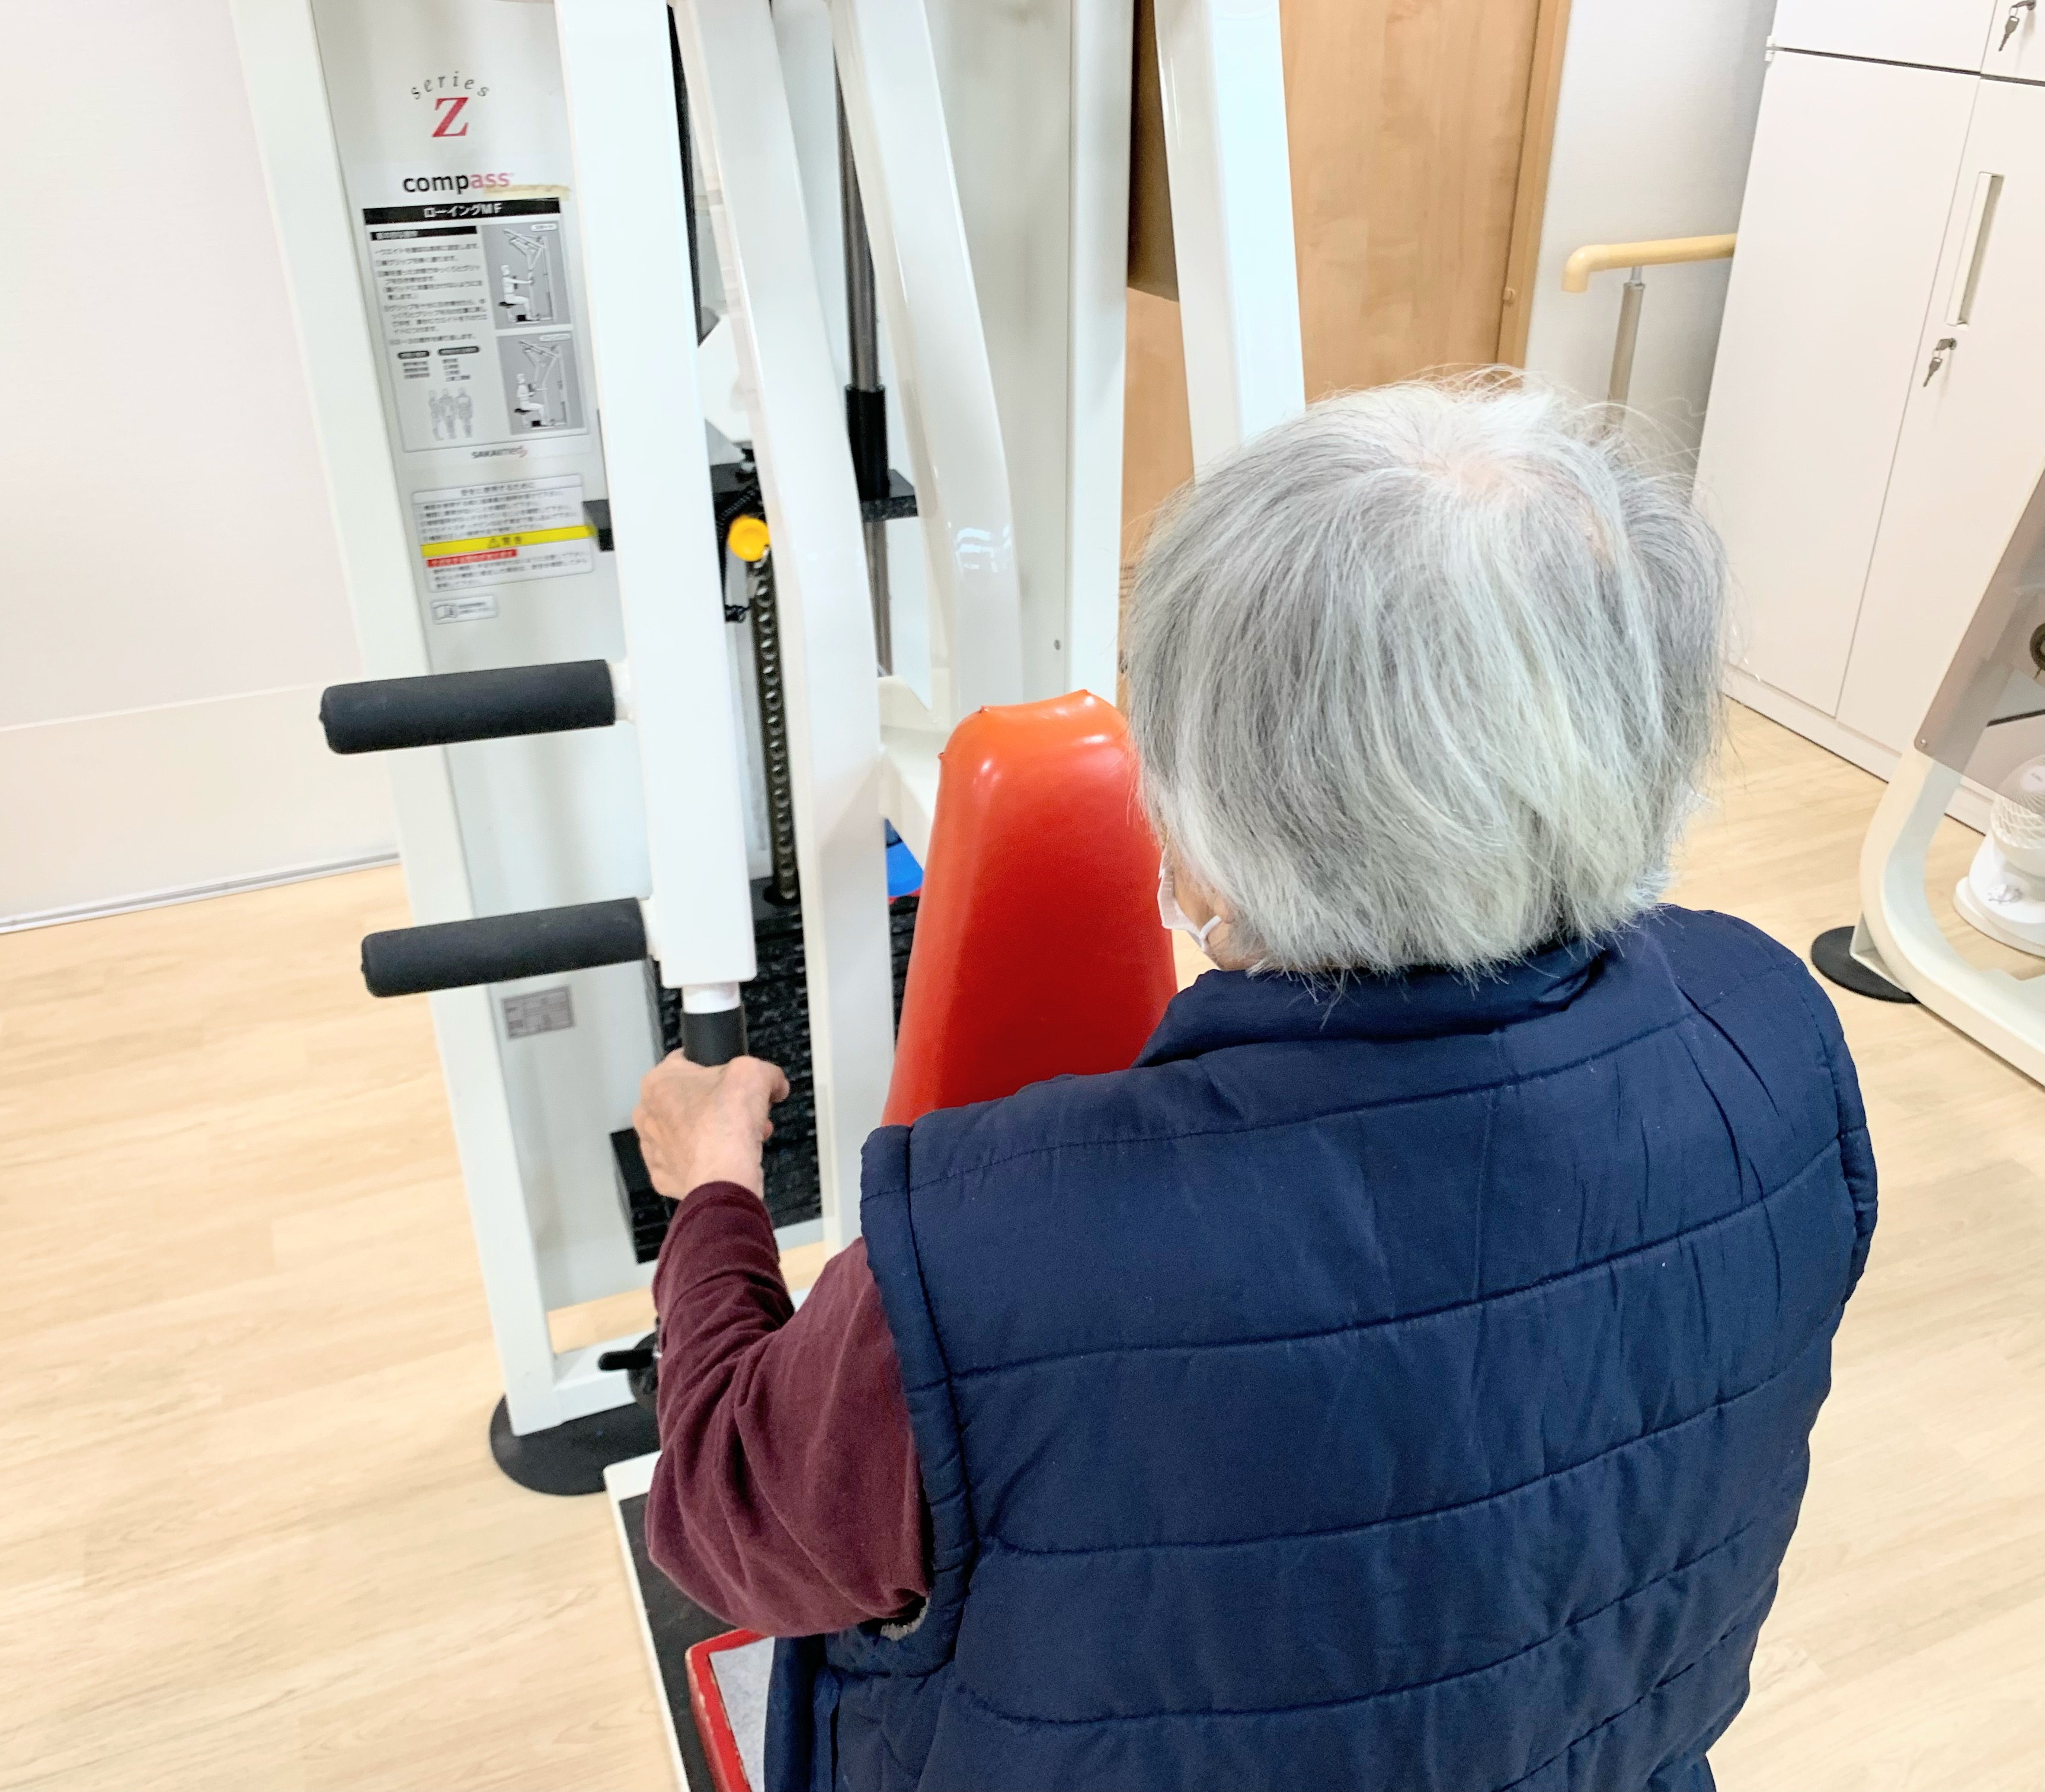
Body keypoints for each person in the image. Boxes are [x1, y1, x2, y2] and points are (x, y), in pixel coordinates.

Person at [633, 377, 1876, 1792]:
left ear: (1200, 836)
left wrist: (713, 1195)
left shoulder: (992, 1257)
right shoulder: (1775, 1032)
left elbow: (726, 1517)